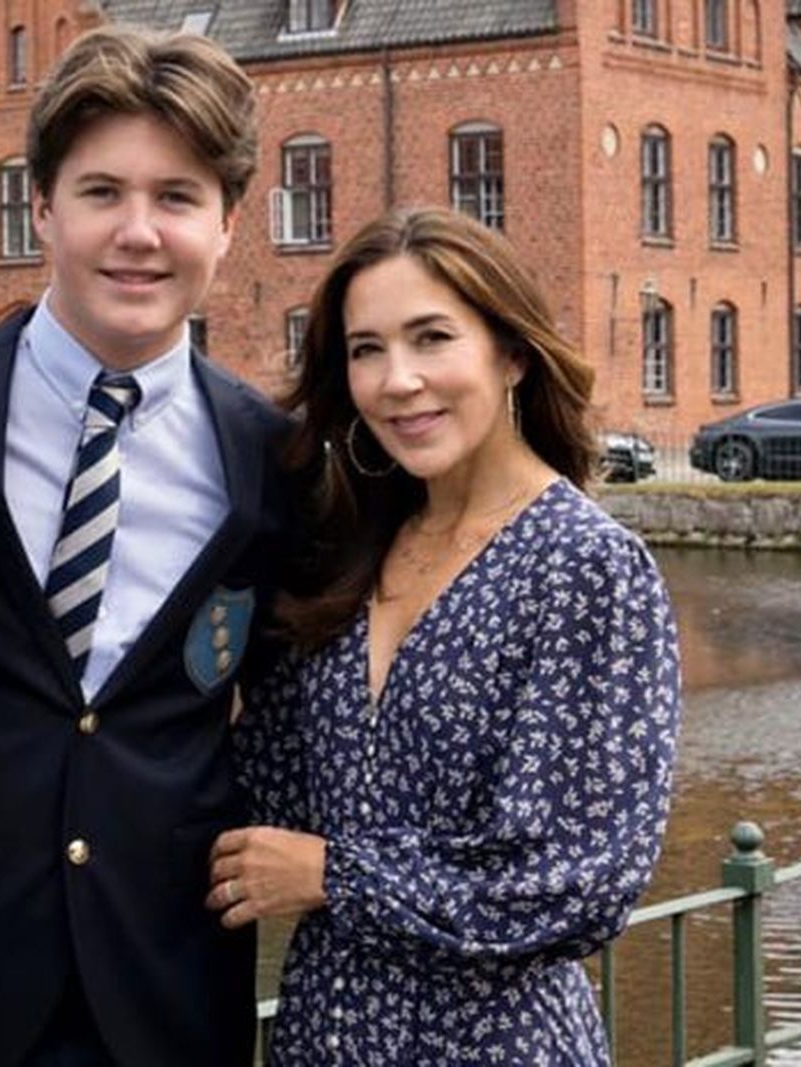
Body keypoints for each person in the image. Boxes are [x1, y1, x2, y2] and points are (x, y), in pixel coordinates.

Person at [0, 25, 290, 1067]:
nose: (138, 231)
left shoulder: (272, 458)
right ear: (41, 205)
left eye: (177, 197)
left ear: (229, 222)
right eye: (102, 192)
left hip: (168, 981)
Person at [207, 208, 682, 1064]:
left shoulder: (585, 567)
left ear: (511, 353)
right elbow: (266, 790)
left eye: (432, 338)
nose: (398, 380)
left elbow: (578, 883)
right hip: (326, 1036)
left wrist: (333, 876)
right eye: (366, 350)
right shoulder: (348, 552)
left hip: (495, 1045)